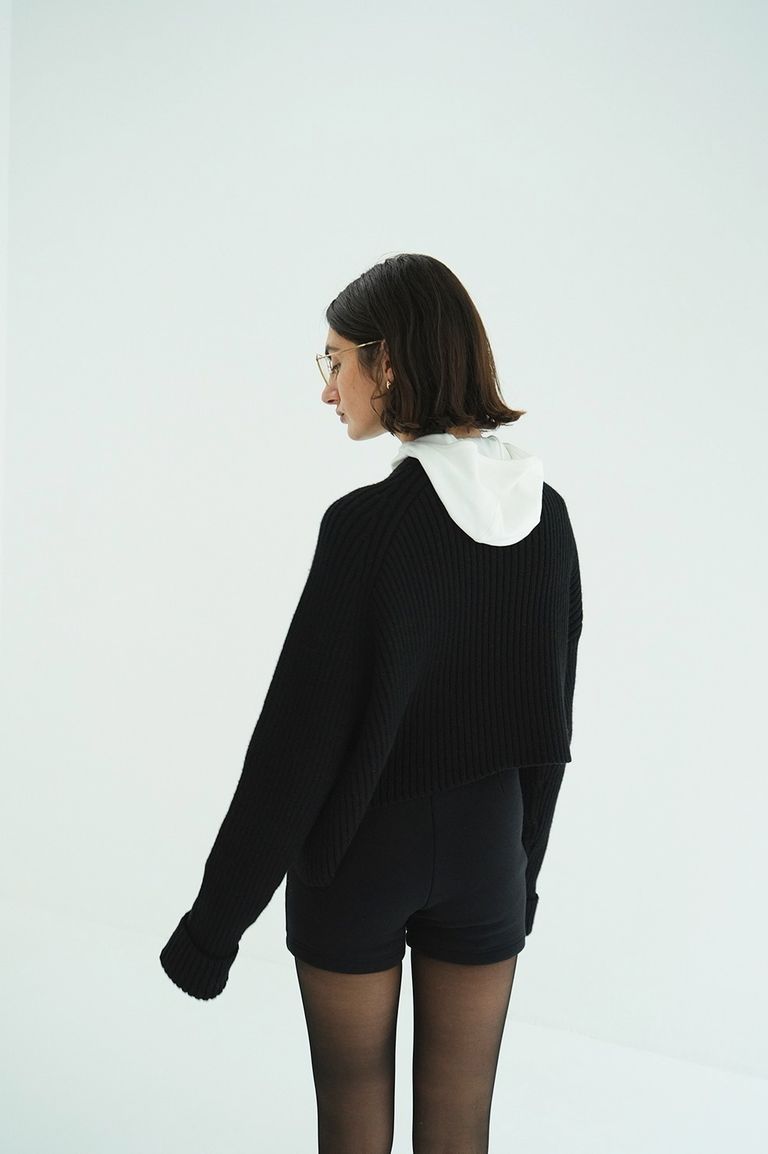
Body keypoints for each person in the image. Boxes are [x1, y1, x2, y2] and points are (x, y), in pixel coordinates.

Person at [160, 252, 583, 1154]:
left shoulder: (365, 530)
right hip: (489, 851)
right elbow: (550, 730)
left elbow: (294, 749)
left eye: (336, 360)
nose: (328, 389)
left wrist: (212, 928)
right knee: (461, 1128)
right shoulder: (546, 519)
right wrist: (521, 874)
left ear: (387, 364)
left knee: (353, 1122)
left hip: (360, 857)